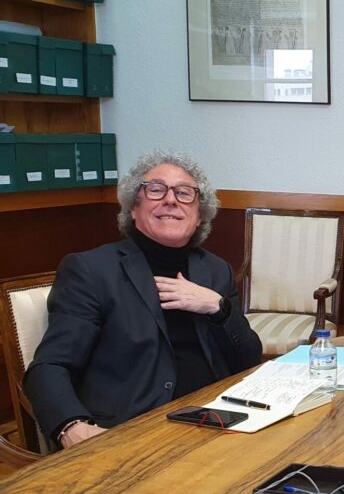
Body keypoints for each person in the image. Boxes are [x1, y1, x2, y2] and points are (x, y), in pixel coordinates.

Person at [24, 151, 263, 449]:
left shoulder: (215, 270)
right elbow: (49, 366)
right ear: (133, 208)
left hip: (215, 421)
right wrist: (71, 427)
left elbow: (248, 360)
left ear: (200, 215)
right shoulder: (92, 270)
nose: (171, 200)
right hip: (133, 431)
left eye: (184, 193)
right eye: (156, 189)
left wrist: (218, 307)